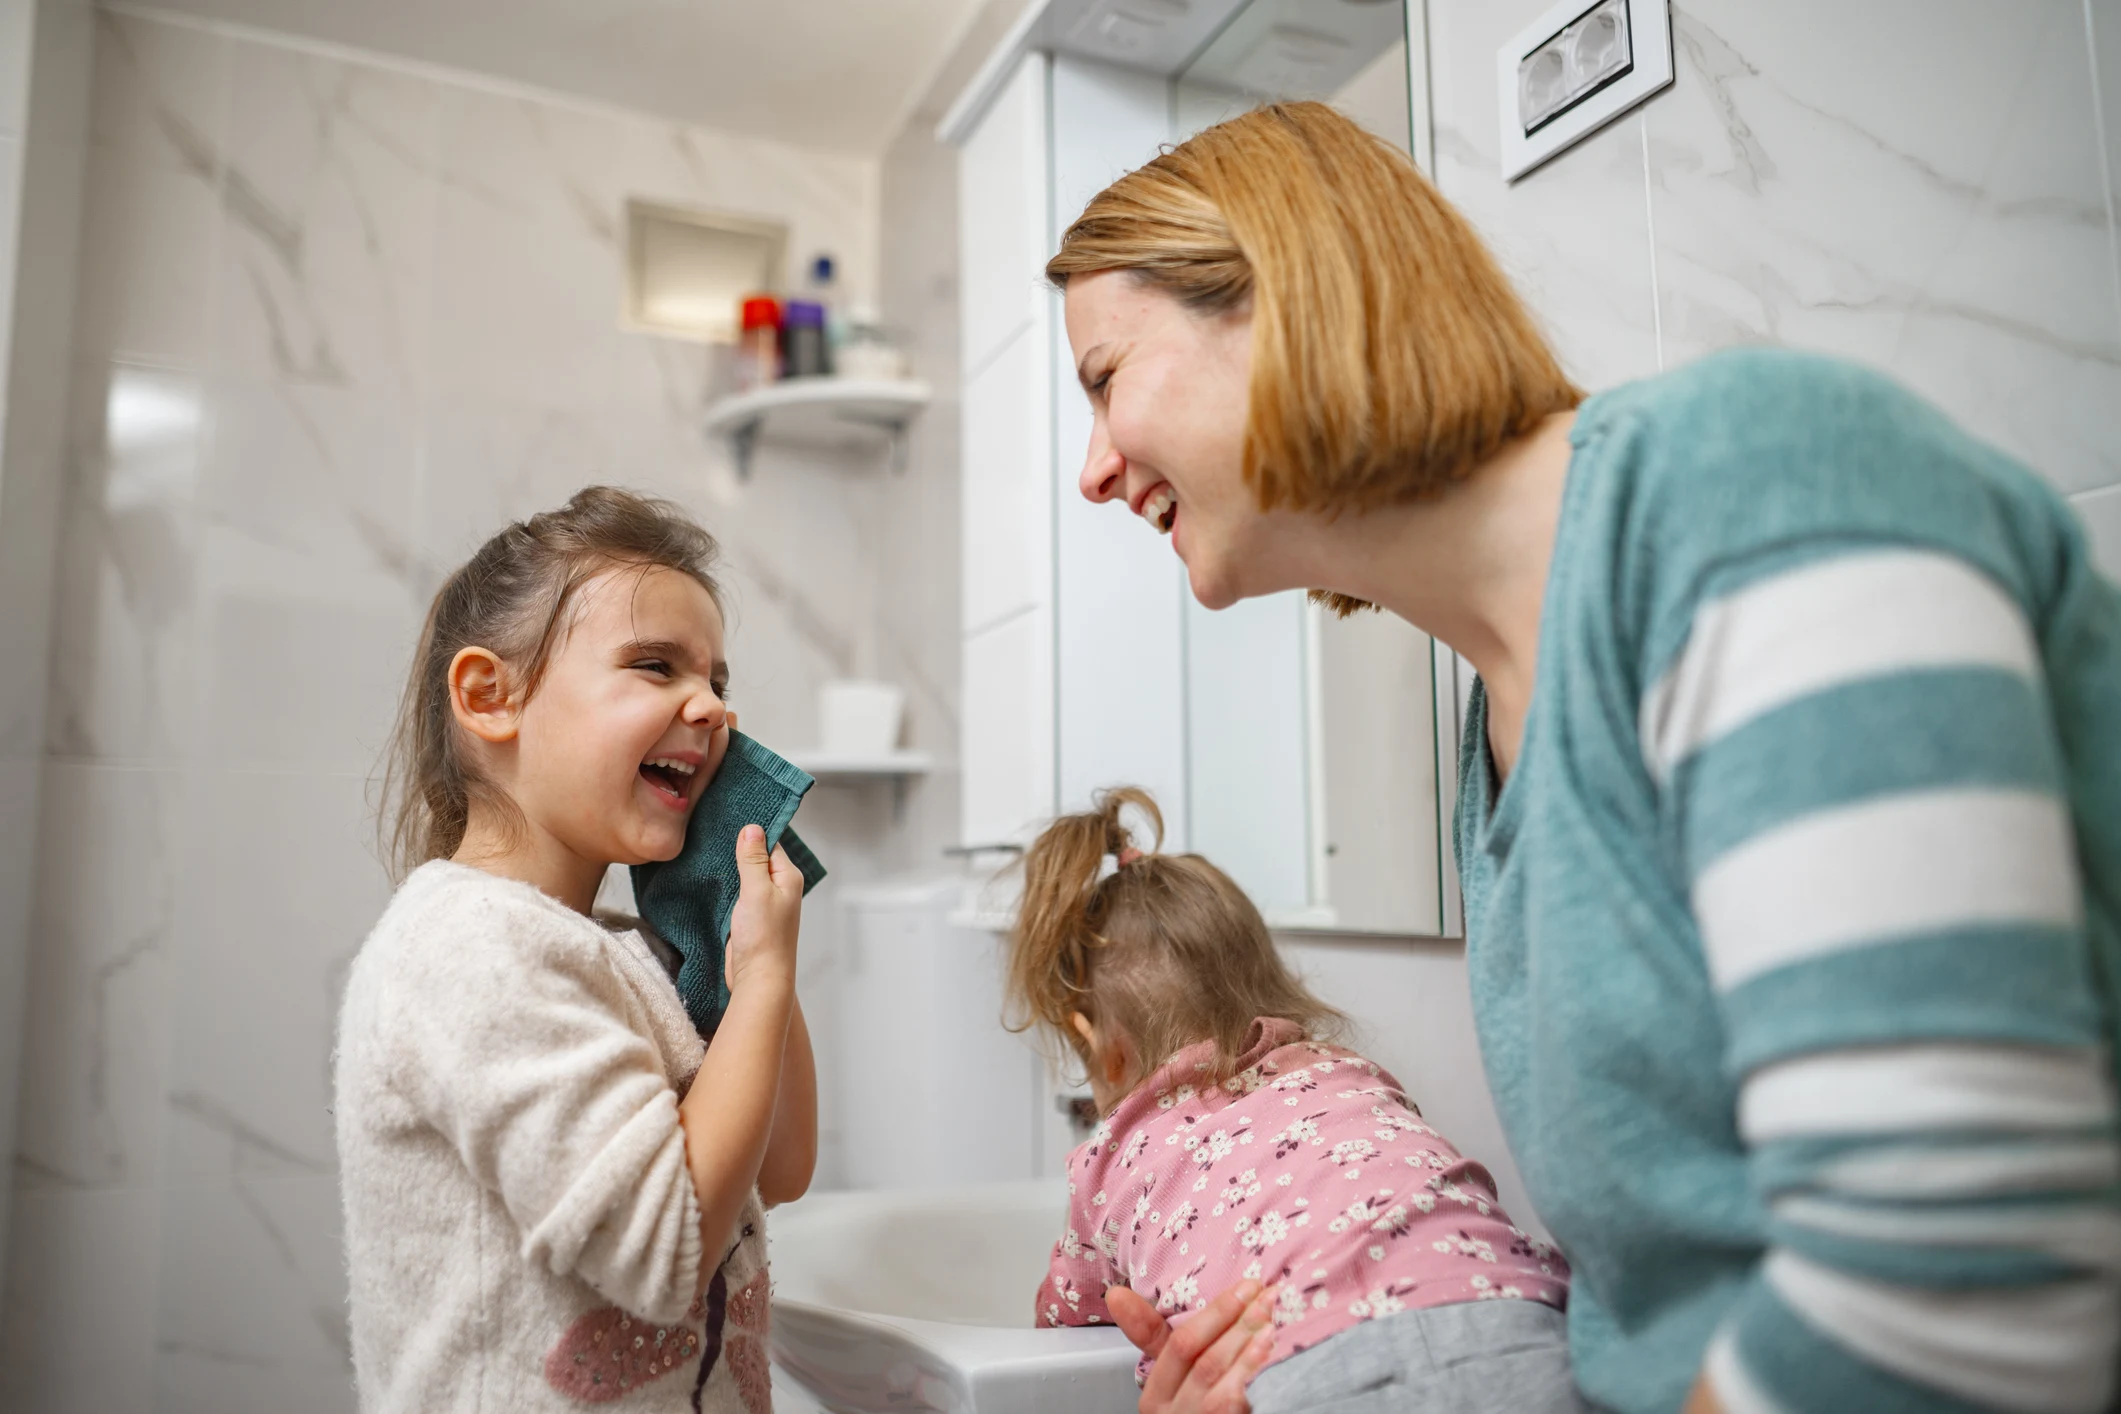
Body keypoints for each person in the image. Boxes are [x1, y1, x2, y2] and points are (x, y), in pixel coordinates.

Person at [1045, 101, 2121, 1414]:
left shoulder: (1745, 481)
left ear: (1281, 292)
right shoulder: (1492, 729)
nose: (1093, 471)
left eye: (1103, 377)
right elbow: (1677, 1292)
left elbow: (1954, 1295)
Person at [336, 486, 815, 1412]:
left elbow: (782, 1166)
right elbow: (669, 1248)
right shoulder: (470, 945)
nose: (711, 708)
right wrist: (754, 984)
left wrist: (741, 937)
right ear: (490, 696)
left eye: (716, 681)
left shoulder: (619, 952)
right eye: (653, 665)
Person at [1012, 788, 1579, 1413]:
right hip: (1514, 1312)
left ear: (1096, 1043)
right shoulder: (1355, 1076)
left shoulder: (1108, 1161)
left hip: (1307, 1364)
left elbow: (1063, 1336)